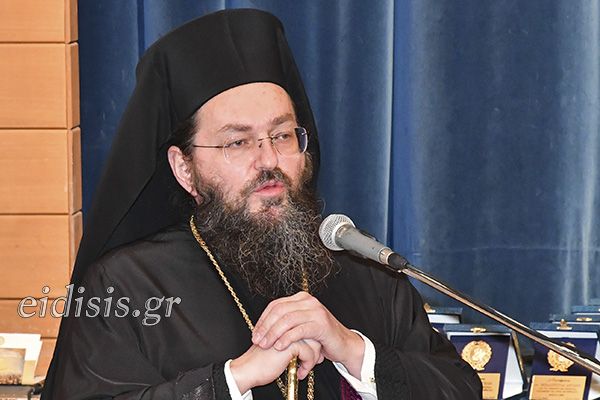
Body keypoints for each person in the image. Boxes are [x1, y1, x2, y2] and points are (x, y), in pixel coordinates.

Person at [42, 8, 482, 400]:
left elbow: (461, 387)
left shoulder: (367, 274)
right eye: (238, 142)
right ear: (184, 168)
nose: (269, 160)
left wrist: (353, 351)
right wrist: (232, 381)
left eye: (283, 135)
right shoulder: (124, 287)